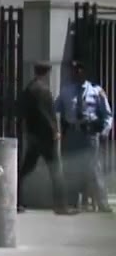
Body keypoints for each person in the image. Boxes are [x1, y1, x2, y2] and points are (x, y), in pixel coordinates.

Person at [57, 60, 113, 213]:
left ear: (85, 73)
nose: (77, 73)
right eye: (75, 70)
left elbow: (107, 115)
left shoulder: (96, 91)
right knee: (71, 168)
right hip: (72, 134)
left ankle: (102, 203)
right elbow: (56, 108)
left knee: (94, 169)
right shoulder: (66, 91)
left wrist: (104, 132)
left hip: (89, 135)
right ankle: (72, 202)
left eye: (80, 70)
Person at [16, 62, 69, 214]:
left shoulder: (29, 89)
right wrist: (55, 131)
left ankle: (17, 201)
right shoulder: (44, 90)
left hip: (33, 136)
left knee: (24, 170)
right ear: (46, 73)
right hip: (46, 137)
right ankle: (61, 205)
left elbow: (22, 112)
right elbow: (48, 114)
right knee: (56, 172)